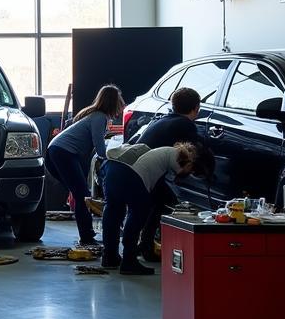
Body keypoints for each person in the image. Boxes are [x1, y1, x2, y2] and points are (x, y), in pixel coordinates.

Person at [133, 87, 213, 261]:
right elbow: (197, 151)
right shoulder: (186, 125)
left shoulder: (160, 120)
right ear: (196, 109)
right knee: (163, 203)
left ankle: (142, 244)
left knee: (158, 202)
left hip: (135, 170)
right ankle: (147, 247)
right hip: (147, 174)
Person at [101, 142, 199, 275]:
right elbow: (173, 183)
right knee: (139, 212)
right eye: (192, 170)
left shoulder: (164, 150)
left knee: (113, 211)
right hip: (129, 173)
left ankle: (109, 257)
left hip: (111, 167)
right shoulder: (177, 158)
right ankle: (129, 261)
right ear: (189, 164)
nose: (191, 173)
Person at [45, 84, 124, 245]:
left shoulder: (95, 115)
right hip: (62, 152)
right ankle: (86, 237)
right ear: (112, 102)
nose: (121, 104)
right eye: (119, 100)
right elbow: (99, 147)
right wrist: (115, 160)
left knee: (80, 193)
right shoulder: (99, 117)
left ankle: (87, 234)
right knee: (82, 195)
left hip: (57, 151)